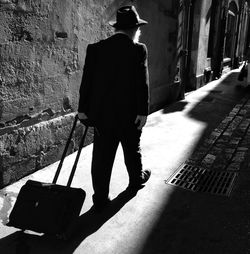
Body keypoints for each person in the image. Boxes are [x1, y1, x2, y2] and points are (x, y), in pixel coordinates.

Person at [77, 5, 151, 211]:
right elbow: (142, 84)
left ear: (116, 28)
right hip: (130, 115)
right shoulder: (139, 49)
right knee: (132, 149)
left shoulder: (95, 48)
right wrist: (143, 112)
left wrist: (82, 109)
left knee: (102, 156)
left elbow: (87, 82)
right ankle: (136, 180)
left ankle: (100, 198)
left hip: (103, 116)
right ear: (135, 29)